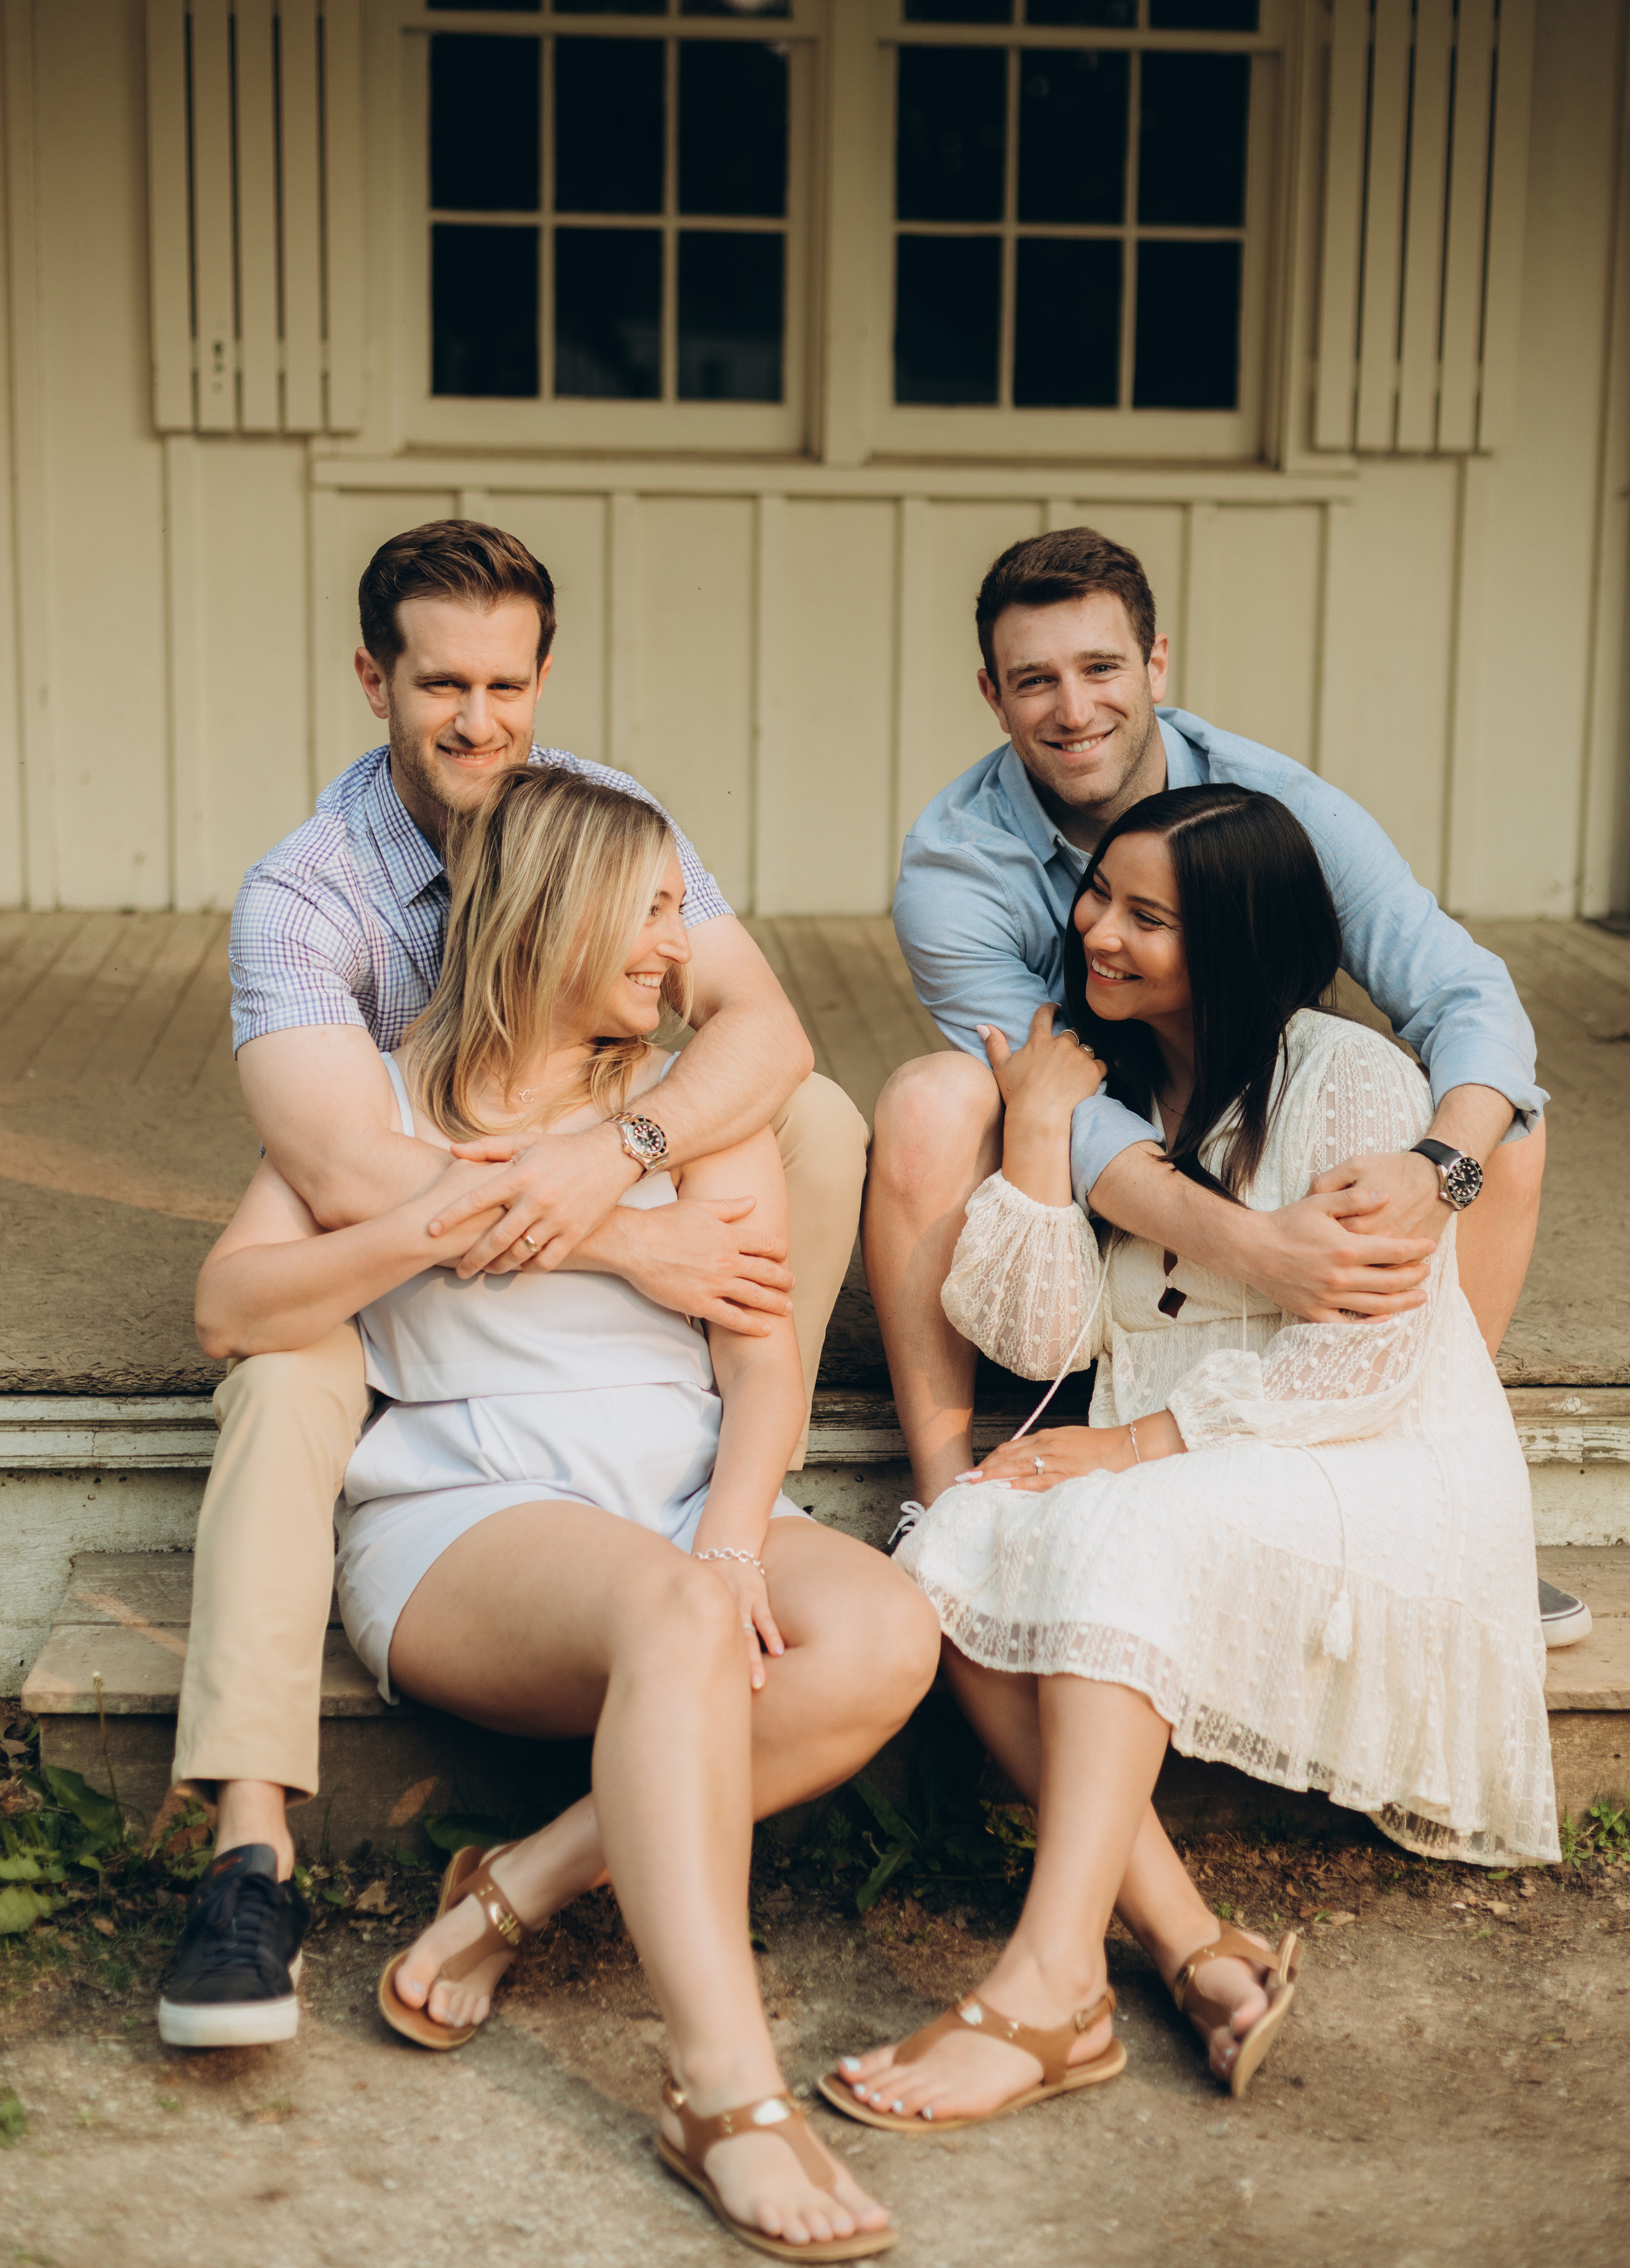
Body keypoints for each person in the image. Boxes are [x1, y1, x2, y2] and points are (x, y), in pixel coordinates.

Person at [190, 766, 933, 2255]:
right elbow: (229, 1305)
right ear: (553, 915)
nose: (682, 946)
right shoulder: (381, 1107)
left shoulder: (679, 1113)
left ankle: (519, 1887)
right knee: (671, 1612)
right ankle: (724, 2093)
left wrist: (732, 1536)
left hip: (667, 1498)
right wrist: (432, 1221)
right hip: (469, 1515)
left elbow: (764, 1367)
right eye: (652, 913)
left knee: (883, 1634)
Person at [159, 520, 870, 2050]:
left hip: (584, 1158)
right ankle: (248, 1847)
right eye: (440, 686)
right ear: (375, 680)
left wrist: (629, 1153)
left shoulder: (606, 824)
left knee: (809, 1118)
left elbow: (763, 1029)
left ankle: (750, 1433)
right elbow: (356, 1174)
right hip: (408, 1226)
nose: (477, 720)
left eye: (506, 682)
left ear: (542, 676)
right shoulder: (306, 895)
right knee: (282, 1379)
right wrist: (630, 1236)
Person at [823, 785, 1557, 2135]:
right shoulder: (1098, 1073)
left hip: (1369, 1454)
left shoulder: (1349, 1081)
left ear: (1229, 936)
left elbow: (1367, 1364)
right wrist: (1038, 1134)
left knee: (1122, 1523)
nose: (1097, 930)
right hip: (1195, 1453)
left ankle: (1045, 1985)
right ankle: (1181, 1945)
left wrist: (1135, 1443)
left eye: (1145, 917)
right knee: (956, 1541)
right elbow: (1041, 1339)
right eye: (1098, 894)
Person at [868, 525, 1586, 1646]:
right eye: (1034, 682)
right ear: (994, 698)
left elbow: (1462, 990)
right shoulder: (957, 867)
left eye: (1101, 669)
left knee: (1511, 1134)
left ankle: (1432, 1488)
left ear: (1156, 666)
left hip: (1263, 1129)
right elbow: (1064, 1110)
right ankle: (945, 1501)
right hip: (1095, 1161)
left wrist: (1434, 1163)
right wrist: (1257, 1251)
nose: (1073, 708)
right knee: (930, 1099)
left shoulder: (1275, 802)